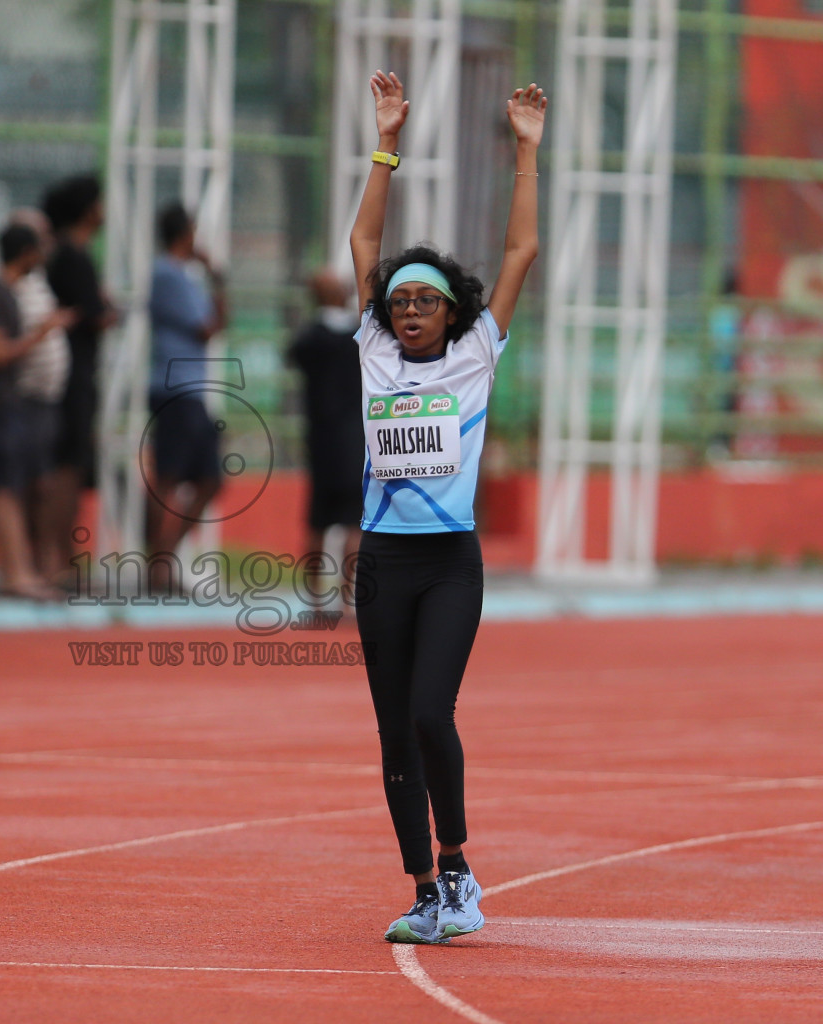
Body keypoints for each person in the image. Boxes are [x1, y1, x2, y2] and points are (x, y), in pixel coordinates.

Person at [348, 72, 545, 944]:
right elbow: (363, 236)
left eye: (427, 299)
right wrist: (386, 142)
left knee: (432, 713)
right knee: (394, 736)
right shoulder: (375, 353)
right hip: (384, 562)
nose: (412, 312)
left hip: (448, 562)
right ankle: (423, 889)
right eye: (400, 302)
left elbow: (520, 256)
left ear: (454, 309)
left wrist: (526, 153)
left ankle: (460, 868)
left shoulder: (477, 354)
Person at [0, 223, 75, 600]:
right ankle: (14, 573)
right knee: (5, 490)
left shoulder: (1, 291)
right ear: (26, 253)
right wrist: (39, 334)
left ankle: (20, 570)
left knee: (12, 488)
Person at [145, 202, 228, 591]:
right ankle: (157, 565)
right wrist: (218, 281)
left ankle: (163, 556)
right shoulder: (169, 274)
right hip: (175, 386)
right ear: (186, 233)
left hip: (190, 388)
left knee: (210, 478)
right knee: (169, 477)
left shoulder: (181, 276)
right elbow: (209, 327)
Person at [42, 175, 116, 579]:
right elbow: (93, 314)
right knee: (67, 467)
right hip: (72, 376)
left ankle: (62, 556)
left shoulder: (67, 253)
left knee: (70, 466)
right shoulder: (73, 255)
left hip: (72, 372)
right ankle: (58, 559)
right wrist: (105, 311)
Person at [6, 207, 71, 582]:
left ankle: (43, 561)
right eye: (39, 238)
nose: (46, 245)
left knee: (43, 483)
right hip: (24, 397)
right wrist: (43, 332)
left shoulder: (38, 282)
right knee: (31, 484)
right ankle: (30, 563)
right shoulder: (8, 287)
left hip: (46, 398)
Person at [287, 269, 365, 578]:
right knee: (353, 523)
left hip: (321, 442)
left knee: (318, 521)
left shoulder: (308, 338)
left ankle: (315, 599)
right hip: (354, 441)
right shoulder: (359, 339)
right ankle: (347, 597)